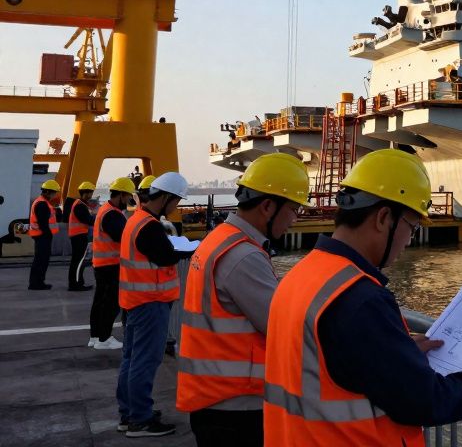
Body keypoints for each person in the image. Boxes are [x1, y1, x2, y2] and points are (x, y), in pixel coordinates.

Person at [263, 149, 462, 445]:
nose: (409, 240)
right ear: (384, 217)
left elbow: (334, 359)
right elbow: (425, 401)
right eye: (412, 226)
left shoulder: (303, 274)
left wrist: (396, 351)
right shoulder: (360, 298)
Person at [177, 153, 311, 446]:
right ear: (267, 206)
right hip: (236, 408)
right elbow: (286, 328)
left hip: (214, 398)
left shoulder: (221, 239)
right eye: (293, 209)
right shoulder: (244, 256)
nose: (294, 219)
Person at [117, 171, 191, 438]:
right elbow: (165, 256)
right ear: (168, 198)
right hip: (150, 302)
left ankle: (129, 414)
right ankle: (140, 419)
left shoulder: (136, 220)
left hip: (135, 301)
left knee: (131, 359)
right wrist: (193, 249)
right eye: (177, 201)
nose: (177, 207)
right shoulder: (149, 226)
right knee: (144, 362)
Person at [89, 178, 135, 349]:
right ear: (121, 195)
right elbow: (122, 237)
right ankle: (104, 338)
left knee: (100, 301)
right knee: (111, 303)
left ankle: (95, 336)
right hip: (110, 265)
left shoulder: (105, 210)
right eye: (128, 196)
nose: (129, 200)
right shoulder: (112, 214)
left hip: (102, 264)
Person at [27, 180, 61, 290]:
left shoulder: (41, 202)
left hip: (40, 236)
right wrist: (48, 235)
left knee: (40, 260)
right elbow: (43, 223)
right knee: (41, 260)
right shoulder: (42, 204)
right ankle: (37, 283)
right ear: (47, 192)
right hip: (42, 236)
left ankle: (37, 282)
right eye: (53, 193)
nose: (54, 195)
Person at [67, 181, 96, 291]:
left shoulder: (80, 204)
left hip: (78, 235)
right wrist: (98, 219)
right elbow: (87, 220)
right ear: (86, 193)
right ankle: (76, 284)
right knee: (79, 261)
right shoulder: (80, 205)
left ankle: (76, 283)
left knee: (77, 261)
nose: (91, 195)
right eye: (91, 192)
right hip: (78, 236)